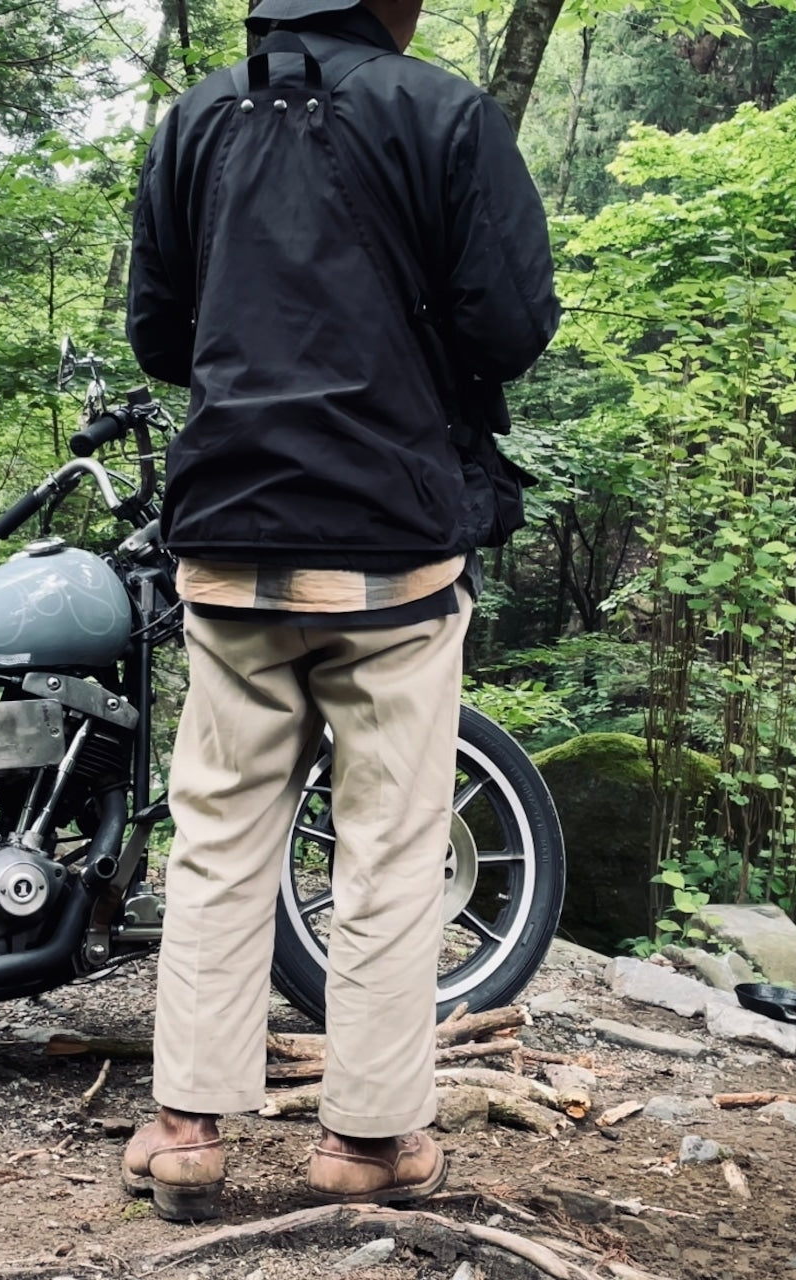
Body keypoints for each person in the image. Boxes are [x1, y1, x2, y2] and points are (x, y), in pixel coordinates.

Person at [122, 0, 559, 1222]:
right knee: (388, 842)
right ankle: (366, 1139)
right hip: (392, 549)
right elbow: (510, 324)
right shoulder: (444, 113)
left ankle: (184, 1129)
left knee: (216, 837)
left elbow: (158, 334)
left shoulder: (194, 120)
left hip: (228, 536)